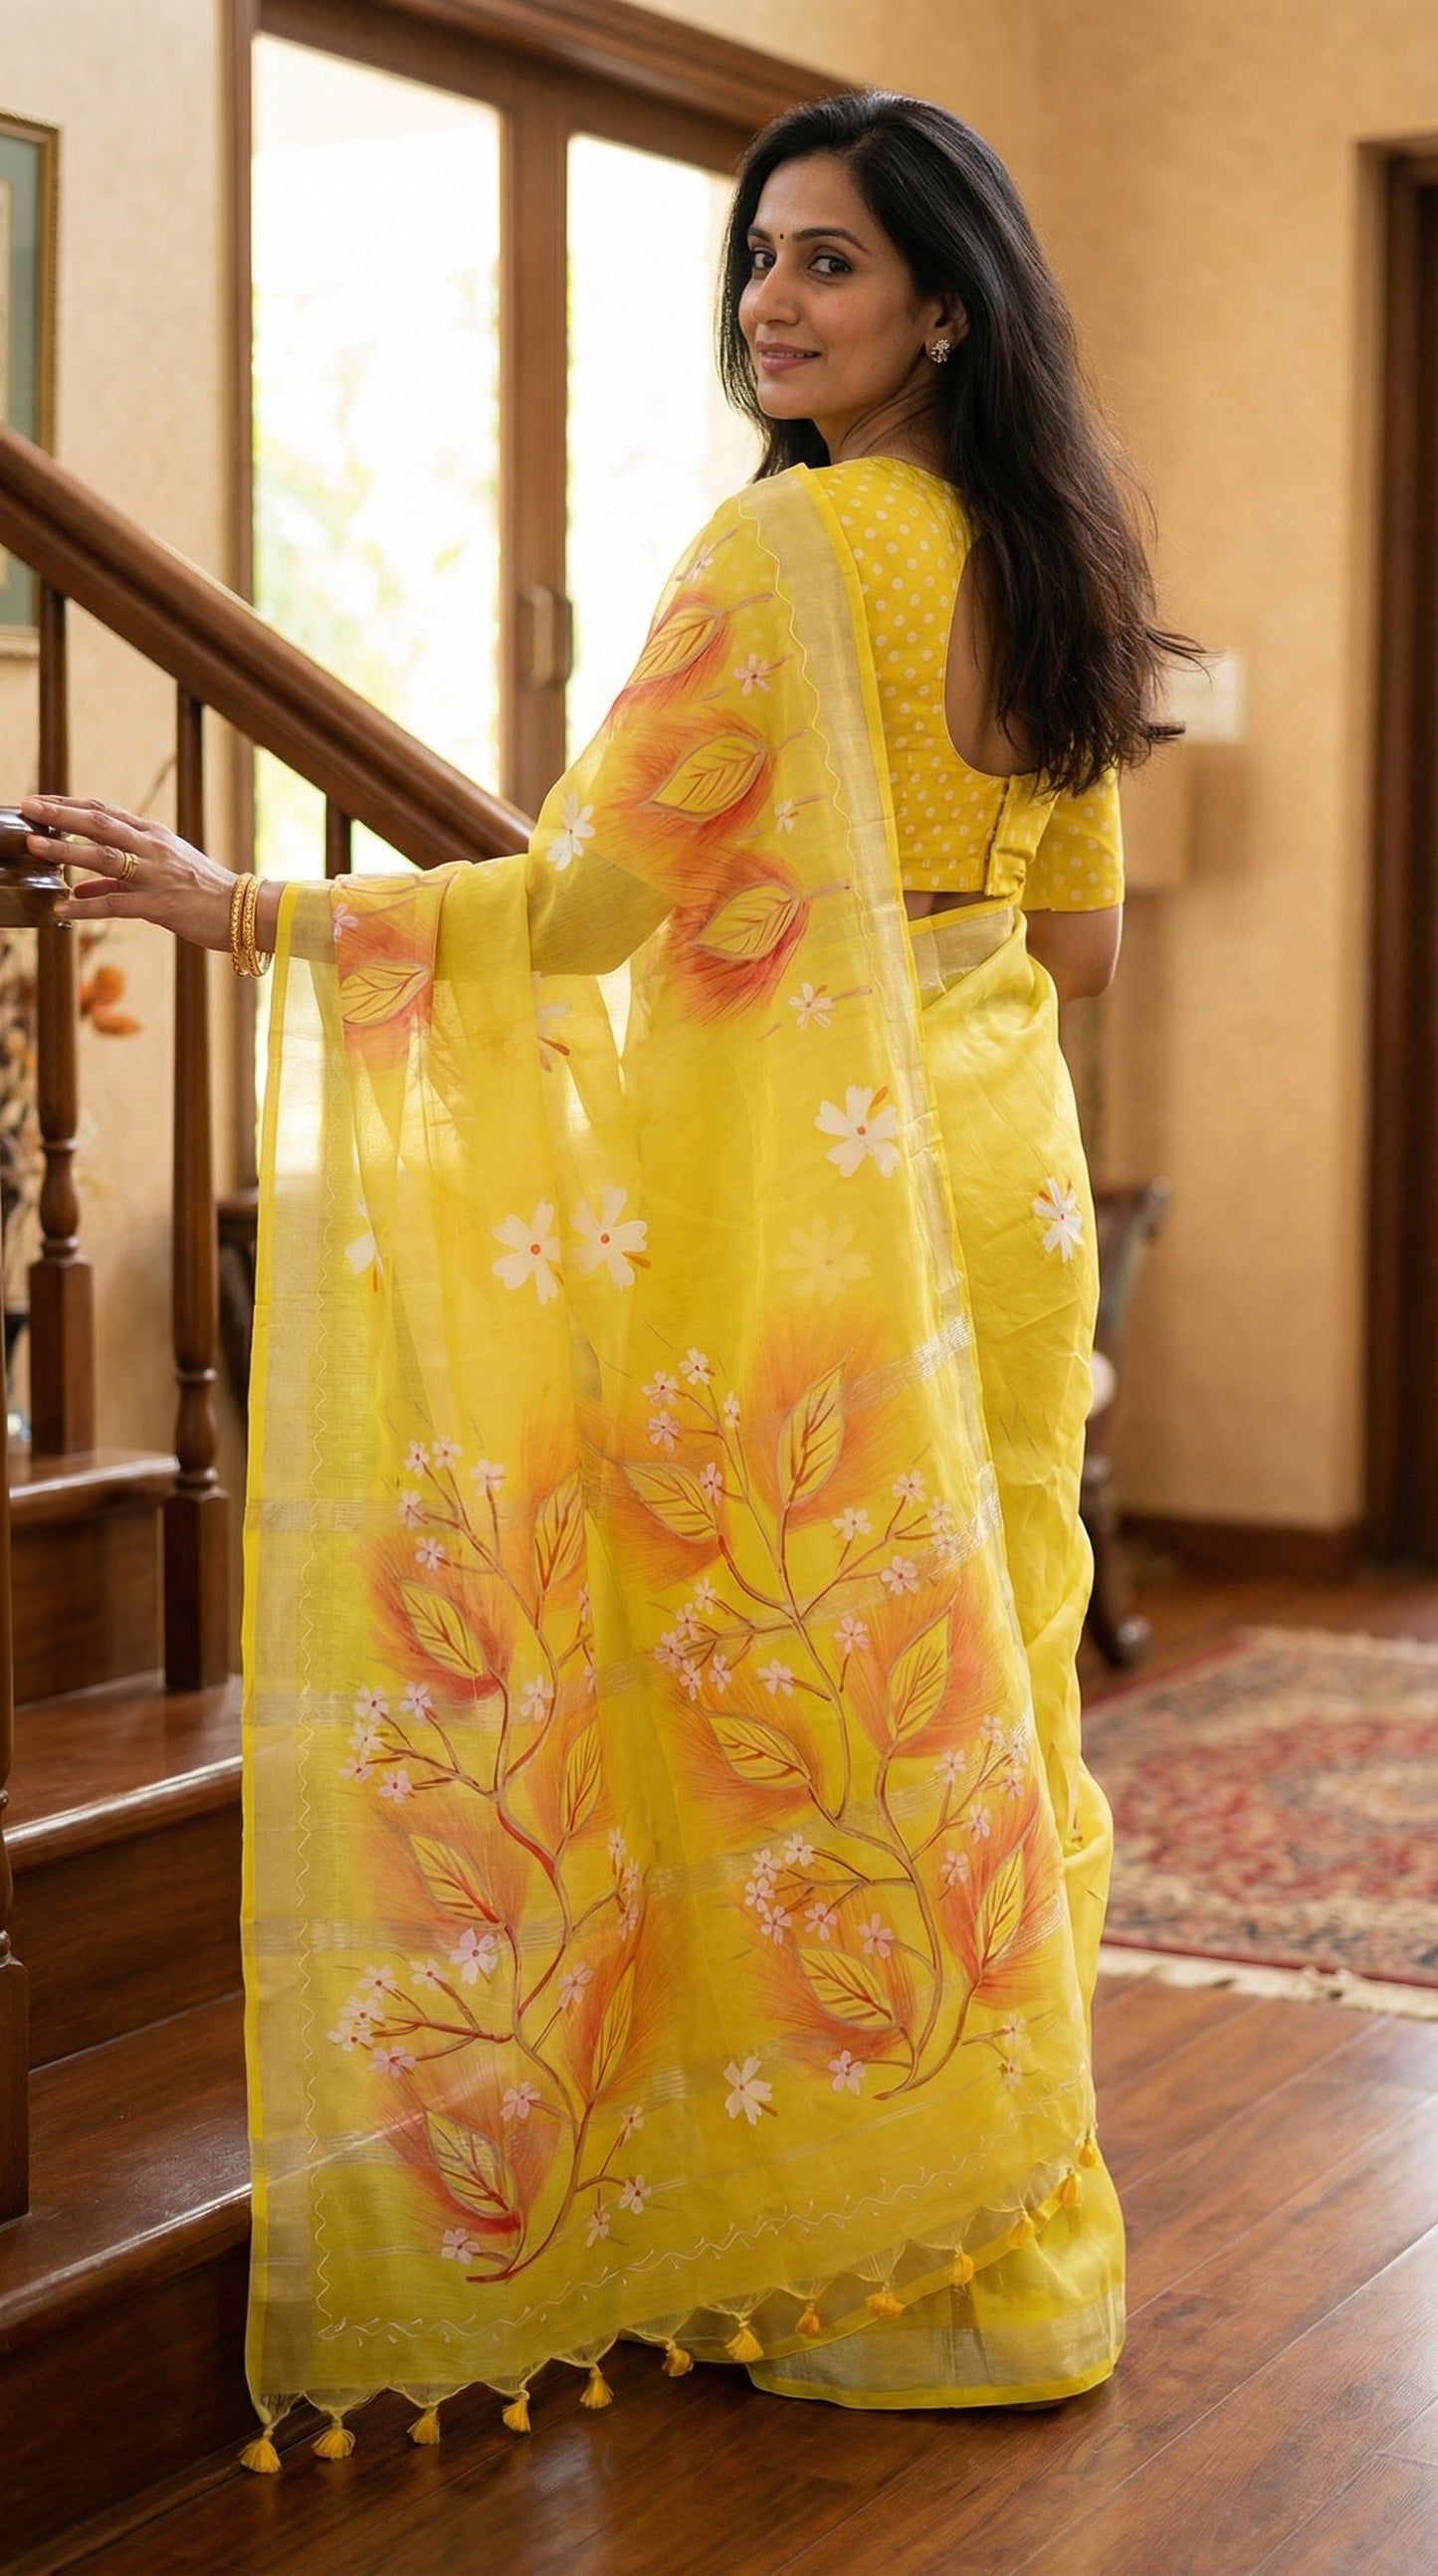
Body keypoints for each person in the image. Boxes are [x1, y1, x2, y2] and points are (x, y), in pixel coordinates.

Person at [24, 92, 1189, 2454]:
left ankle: (858, 2252)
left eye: (832, 262)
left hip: (827, 1200)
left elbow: (573, 909)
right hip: (999, 1164)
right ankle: (1008, 2240)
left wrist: (232, 902)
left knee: (806, 1666)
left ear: (940, 302)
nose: (774, 296)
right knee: (978, 1678)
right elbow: (1068, 941)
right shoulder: (1058, 553)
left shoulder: (789, 560)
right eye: (762, 256)